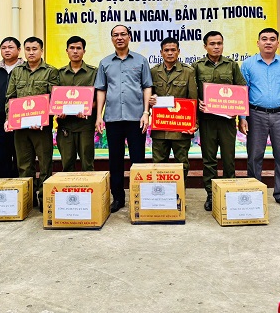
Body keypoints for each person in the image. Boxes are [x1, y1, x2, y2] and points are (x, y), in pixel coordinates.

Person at [239, 28, 280, 208]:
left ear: (277, 43)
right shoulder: (248, 64)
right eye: (264, 39)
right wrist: (242, 117)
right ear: (257, 42)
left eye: (272, 39)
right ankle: (254, 191)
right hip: (255, 114)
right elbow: (244, 92)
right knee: (254, 155)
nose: (268, 42)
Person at [95, 24, 153, 213]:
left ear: (129, 37)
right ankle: (118, 198)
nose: (119, 38)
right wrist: (99, 116)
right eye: (115, 35)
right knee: (115, 160)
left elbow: (146, 87)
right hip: (112, 118)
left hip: (136, 117)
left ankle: (140, 196)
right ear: (111, 39)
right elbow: (101, 90)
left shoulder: (141, 60)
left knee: (138, 159)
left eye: (123, 34)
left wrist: (146, 112)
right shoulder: (105, 63)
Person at [192, 31, 245, 211]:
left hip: (227, 121)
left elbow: (241, 89)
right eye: (212, 43)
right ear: (205, 46)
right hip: (207, 120)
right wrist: (197, 103)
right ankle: (211, 194)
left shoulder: (231, 66)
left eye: (219, 43)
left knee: (229, 158)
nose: (216, 47)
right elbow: (192, 92)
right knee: (209, 159)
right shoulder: (197, 67)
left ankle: (229, 191)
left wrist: (238, 110)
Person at [5, 36, 59, 212]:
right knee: (24, 164)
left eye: (34, 49)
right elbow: (10, 98)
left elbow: (54, 99)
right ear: (24, 51)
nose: (31, 52)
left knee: (45, 164)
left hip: (41, 128)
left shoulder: (50, 71)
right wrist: (9, 118)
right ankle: (28, 199)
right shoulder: (17, 71)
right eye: (28, 49)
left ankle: (44, 199)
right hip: (20, 128)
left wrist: (41, 119)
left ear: (41, 50)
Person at [150, 37, 197, 179]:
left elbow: (193, 100)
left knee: (182, 165)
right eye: (166, 50)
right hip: (160, 129)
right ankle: (160, 197)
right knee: (158, 165)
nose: (170, 53)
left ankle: (180, 196)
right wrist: (150, 100)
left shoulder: (188, 72)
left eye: (173, 50)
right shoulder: (153, 72)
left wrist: (194, 124)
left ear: (178, 52)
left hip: (181, 129)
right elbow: (146, 95)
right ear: (161, 52)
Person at [56, 36, 97, 173]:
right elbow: (53, 99)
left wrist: (87, 108)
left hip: (85, 125)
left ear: (84, 51)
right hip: (65, 125)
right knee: (67, 164)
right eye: (72, 48)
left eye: (78, 48)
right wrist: (57, 110)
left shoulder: (93, 73)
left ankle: (90, 192)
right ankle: (69, 193)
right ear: (66, 51)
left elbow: (99, 99)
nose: (75, 51)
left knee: (87, 163)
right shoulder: (59, 74)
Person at [0, 37, 23, 179]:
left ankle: (20, 189)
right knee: (2, 154)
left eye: (11, 47)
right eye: (4, 48)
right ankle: (5, 189)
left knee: (20, 154)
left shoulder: (25, 68)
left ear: (19, 50)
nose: (7, 50)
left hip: (21, 119)